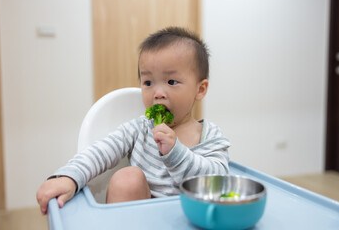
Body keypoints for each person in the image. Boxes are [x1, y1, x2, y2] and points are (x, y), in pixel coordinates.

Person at [36, 26, 230, 215]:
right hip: (139, 218)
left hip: (192, 218)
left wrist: (175, 153)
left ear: (200, 89)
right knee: (128, 177)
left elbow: (218, 183)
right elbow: (100, 152)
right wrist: (69, 177)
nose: (158, 93)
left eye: (171, 82)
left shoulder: (210, 136)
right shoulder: (140, 128)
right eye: (148, 82)